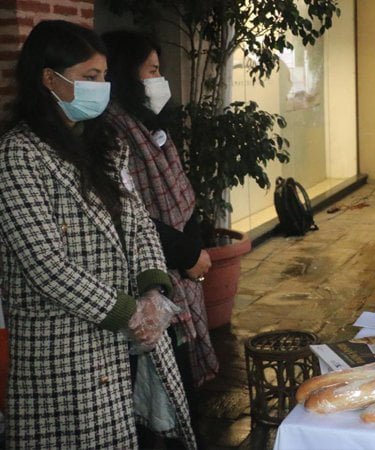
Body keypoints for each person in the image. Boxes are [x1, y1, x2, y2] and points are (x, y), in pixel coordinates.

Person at [0, 20, 196, 448]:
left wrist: (152, 290)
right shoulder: (18, 154)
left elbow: (139, 221)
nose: (101, 88)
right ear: (49, 78)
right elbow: (46, 266)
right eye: (90, 77)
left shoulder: (105, 144)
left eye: (104, 76)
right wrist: (129, 312)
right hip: (64, 348)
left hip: (125, 338)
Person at [101, 29, 219, 440]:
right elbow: (129, 213)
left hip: (175, 272)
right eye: (151, 70)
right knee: (161, 397)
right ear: (126, 73)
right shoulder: (112, 132)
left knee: (178, 392)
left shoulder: (145, 125)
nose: (159, 80)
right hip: (150, 281)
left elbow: (179, 196)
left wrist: (190, 250)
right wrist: (186, 255)